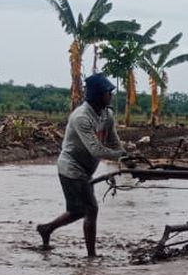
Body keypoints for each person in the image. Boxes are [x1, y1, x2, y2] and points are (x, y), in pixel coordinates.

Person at [37, 73, 127, 257]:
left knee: (77, 211)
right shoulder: (81, 117)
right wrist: (120, 155)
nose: (111, 95)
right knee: (90, 209)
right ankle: (91, 256)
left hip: (86, 170)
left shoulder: (107, 115)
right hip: (71, 167)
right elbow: (96, 150)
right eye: (108, 92)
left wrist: (125, 156)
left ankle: (47, 229)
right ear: (97, 95)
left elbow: (114, 143)